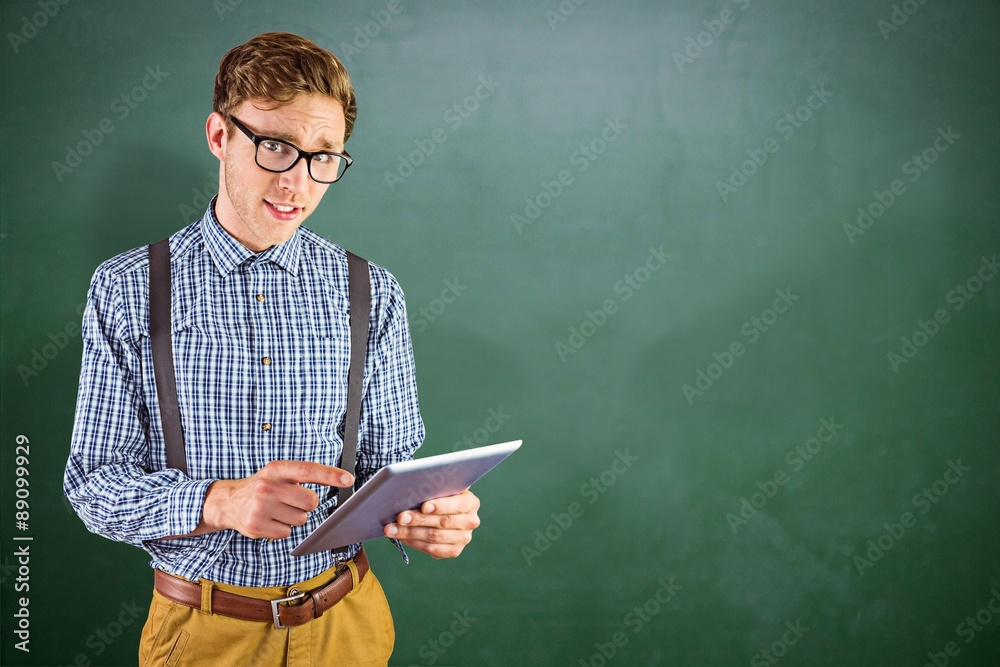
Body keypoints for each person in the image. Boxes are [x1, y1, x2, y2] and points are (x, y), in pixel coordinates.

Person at [63, 31, 481, 666]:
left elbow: (386, 469)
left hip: (349, 623)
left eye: (323, 157)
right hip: (202, 631)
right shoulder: (128, 290)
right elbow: (94, 485)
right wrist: (220, 502)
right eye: (276, 147)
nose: (298, 182)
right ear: (219, 136)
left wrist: (431, 513)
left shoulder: (374, 292)